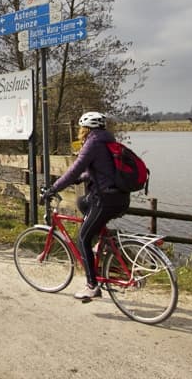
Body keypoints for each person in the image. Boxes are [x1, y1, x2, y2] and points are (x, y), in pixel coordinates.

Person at [42, 112, 130, 300]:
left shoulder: (93, 142)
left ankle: (92, 286)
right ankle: (101, 242)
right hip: (120, 197)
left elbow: (75, 169)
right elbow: (102, 170)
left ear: (86, 129)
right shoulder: (107, 140)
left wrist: (53, 188)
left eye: (81, 129)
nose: (79, 132)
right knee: (82, 202)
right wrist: (82, 179)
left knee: (82, 238)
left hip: (104, 199)